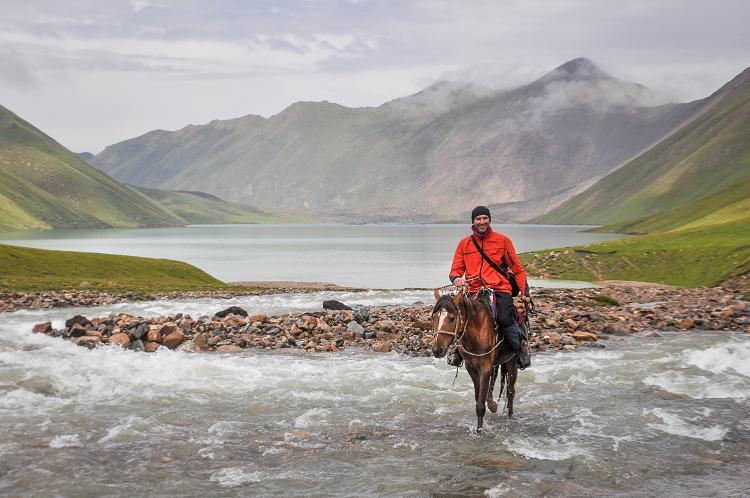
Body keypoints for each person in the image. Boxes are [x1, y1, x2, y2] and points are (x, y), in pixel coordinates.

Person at [448, 205, 532, 369]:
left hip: (499, 289)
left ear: (490, 220)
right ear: (473, 222)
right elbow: (455, 270)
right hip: (473, 291)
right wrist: (457, 279)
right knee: (458, 318)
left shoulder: (503, 241)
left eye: (484, 218)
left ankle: (520, 349)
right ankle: (457, 351)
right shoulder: (464, 244)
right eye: (478, 219)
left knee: (505, 319)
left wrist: (524, 293)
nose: (482, 221)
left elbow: (518, 270)